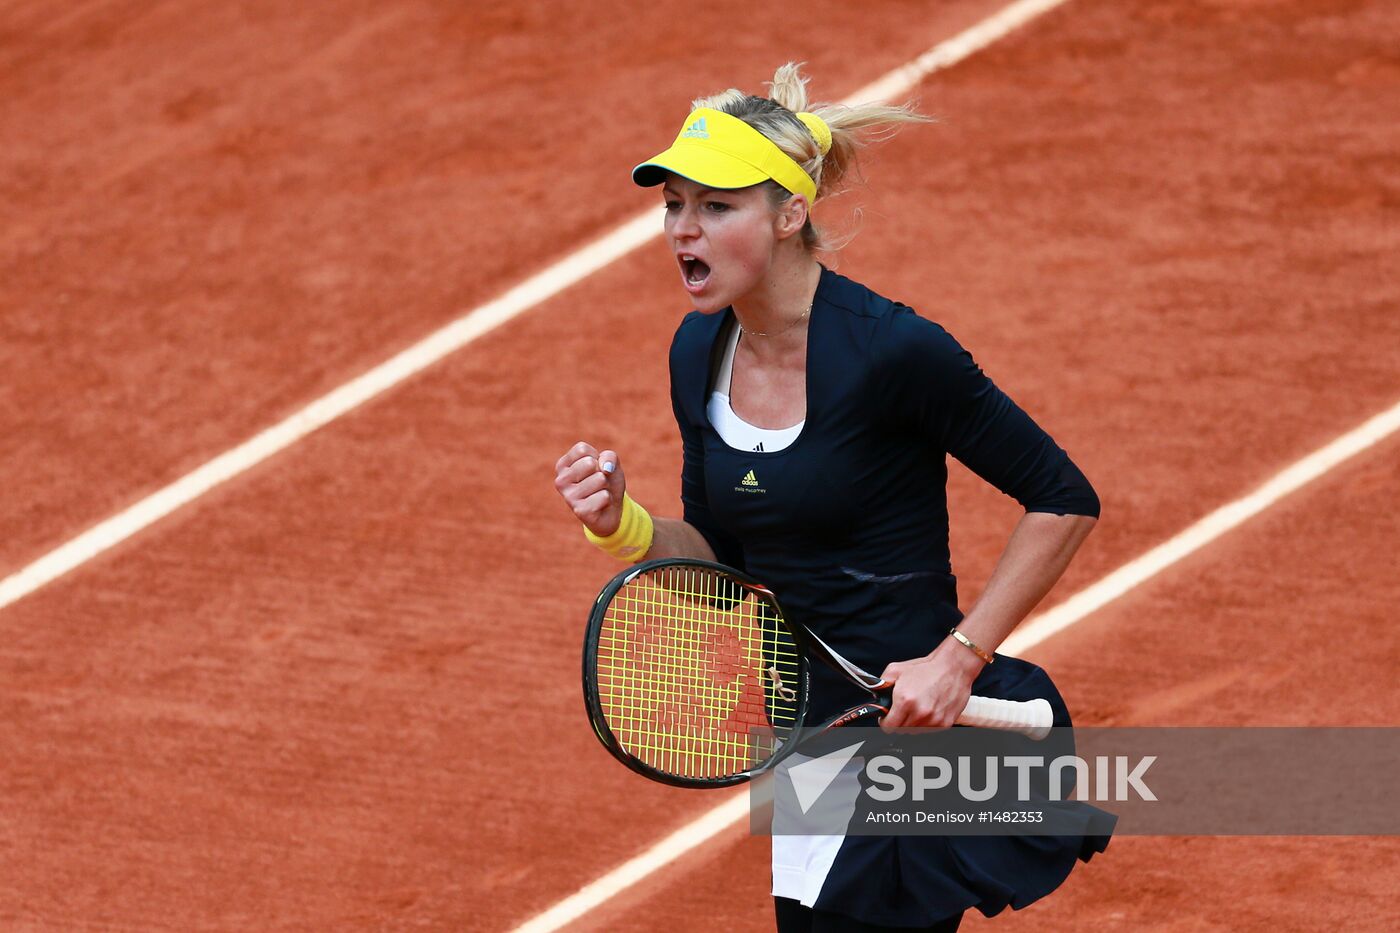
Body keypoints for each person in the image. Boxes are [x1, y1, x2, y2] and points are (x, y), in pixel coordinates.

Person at [554, 63, 1111, 933]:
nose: (682, 229)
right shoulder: (699, 356)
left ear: (789, 214)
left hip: (919, 732)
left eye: (715, 206)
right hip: (809, 727)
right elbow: (719, 569)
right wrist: (621, 524)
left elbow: (1063, 498)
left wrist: (958, 657)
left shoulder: (894, 352)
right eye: (673, 205)